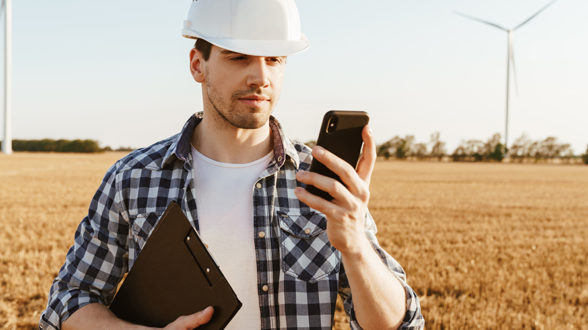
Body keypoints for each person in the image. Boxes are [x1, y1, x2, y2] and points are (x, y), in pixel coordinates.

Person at [40, 0, 424, 329]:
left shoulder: (324, 181)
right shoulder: (134, 179)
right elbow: (70, 299)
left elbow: (400, 324)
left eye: (274, 59)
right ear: (197, 65)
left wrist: (355, 245)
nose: (260, 77)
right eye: (239, 57)